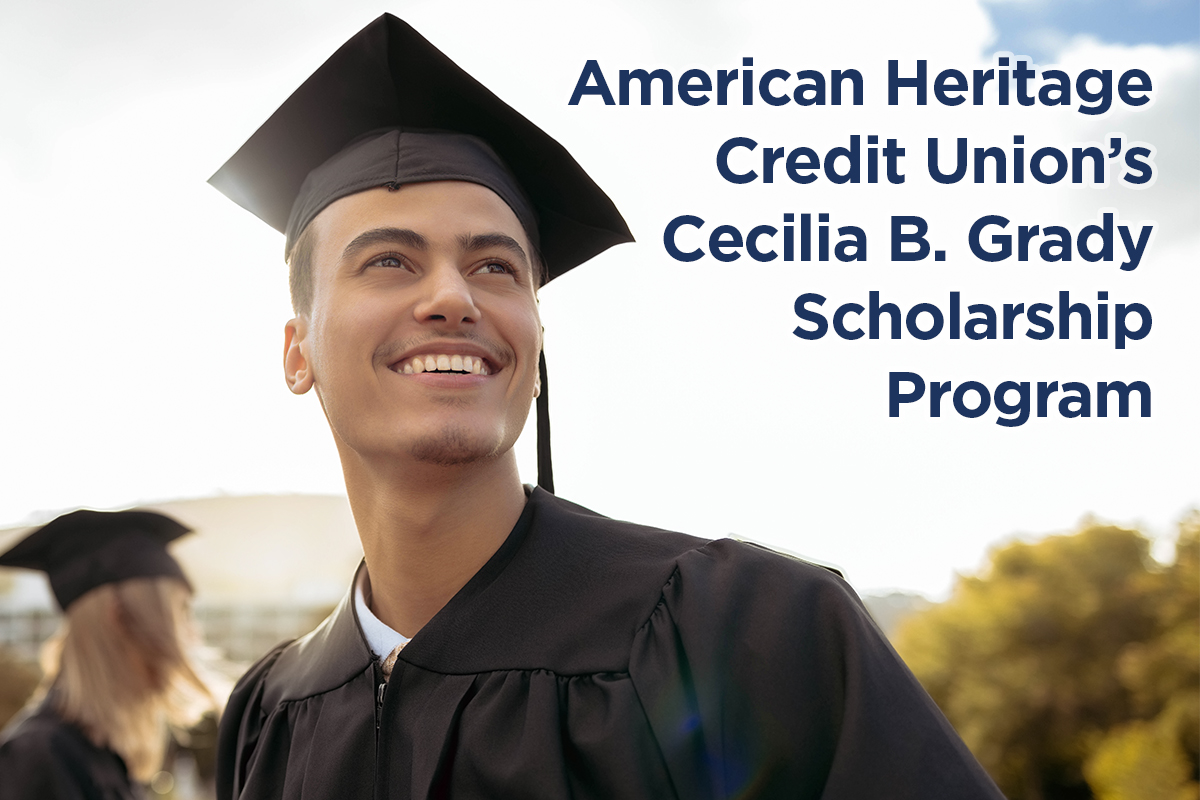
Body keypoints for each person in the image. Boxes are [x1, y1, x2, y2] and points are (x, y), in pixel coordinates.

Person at [209, 14, 1004, 800]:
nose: (452, 296)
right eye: (389, 260)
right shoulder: (271, 713)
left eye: (495, 268)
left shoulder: (745, 632)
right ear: (298, 352)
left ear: (535, 347)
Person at [0, 509, 217, 800]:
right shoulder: (40, 757)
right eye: (180, 613)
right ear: (119, 618)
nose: (193, 635)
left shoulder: (97, 750)